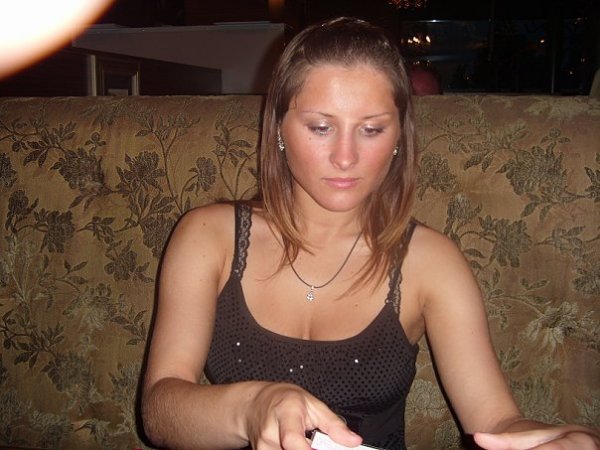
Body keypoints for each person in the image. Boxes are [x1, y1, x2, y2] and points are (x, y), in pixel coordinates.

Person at [140, 17, 600, 450]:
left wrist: (561, 439)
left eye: (372, 129)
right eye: (321, 127)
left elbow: (496, 421)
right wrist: (252, 407)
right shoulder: (209, 236)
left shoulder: (430, 262)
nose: (345, 157)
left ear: (399, 136)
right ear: (278, 127)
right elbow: (160, 410)